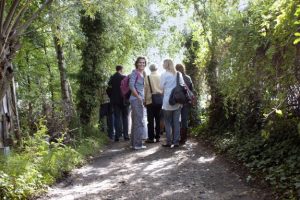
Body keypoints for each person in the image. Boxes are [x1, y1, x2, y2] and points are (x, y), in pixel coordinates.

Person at [160, 59, 184, 148]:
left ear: (166, 65)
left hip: (167, 101)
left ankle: (169, 142)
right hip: (177, 101)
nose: (162, 65)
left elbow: (161, 87)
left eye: (163, 63)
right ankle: (176, 142)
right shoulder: (178, 74)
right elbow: (182, 85)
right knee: (176, 122)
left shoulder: (164, 75)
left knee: (167, 122)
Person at [107, 65, 129, 142]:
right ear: (121, 69)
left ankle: (117, 136)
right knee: (125, 117)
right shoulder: (124, 77)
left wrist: (111, 96)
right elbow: (128, 89)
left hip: (115, 100)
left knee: (117, 117)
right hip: (124, 100)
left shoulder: (112, 78)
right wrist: (127, 97)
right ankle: (126, 135)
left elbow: (108, 89)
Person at [129, 56, 147, 150]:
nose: (142, 64)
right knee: (139, 122)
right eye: (140, 62)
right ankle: (138, 144)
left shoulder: (142, 73)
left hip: (137, 99)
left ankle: (133, 144)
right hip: (136, 100)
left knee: (136, 121)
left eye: (143, 63)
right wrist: (138, 96)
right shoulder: (135, 72)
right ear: (137, 63)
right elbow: (131, 85)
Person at [175, 64, 194, 145]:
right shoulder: (188, 77)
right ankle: (183, 139)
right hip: (186, 101)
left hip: (177, 101)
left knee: (175, 119)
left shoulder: (175, 78)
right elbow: (191, 89)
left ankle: (176, 137)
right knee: (184, 120)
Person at [144, 64, 162, 143]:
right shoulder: (161, 77)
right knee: (158, 119)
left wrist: (144, 100)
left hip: (150, 100)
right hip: (159, 100)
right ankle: (158, 137)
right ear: (156, 68)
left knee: (150, 120)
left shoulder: (147, 77)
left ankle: (151, 138)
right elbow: (163, 88)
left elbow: (145, 89)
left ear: (150, 69)